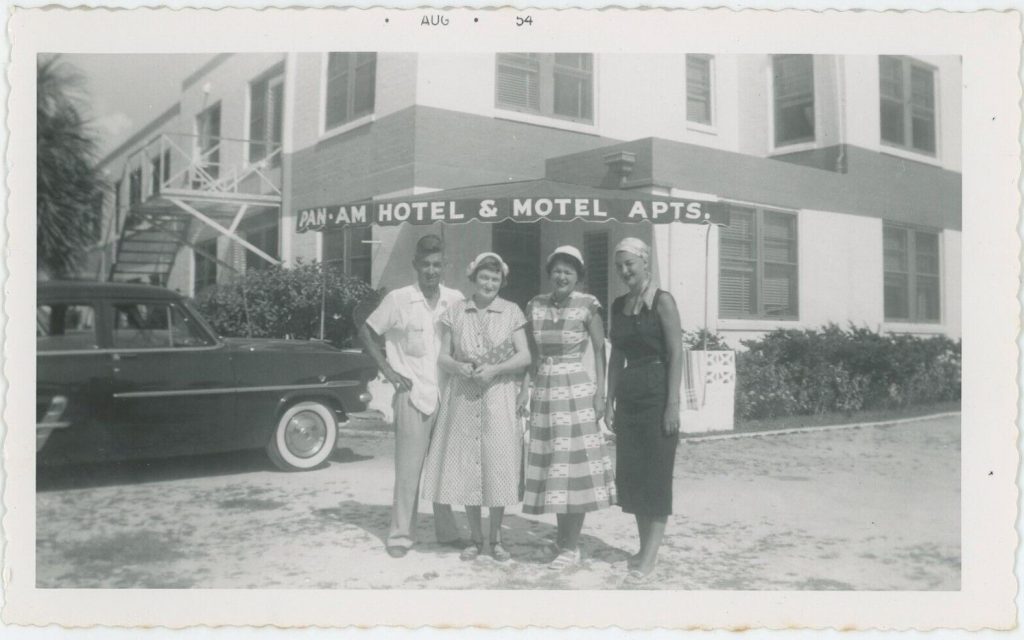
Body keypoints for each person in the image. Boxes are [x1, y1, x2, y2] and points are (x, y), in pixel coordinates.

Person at [358, 234, 465, 558]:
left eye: (437, 264)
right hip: (412, 395)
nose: (431, 270)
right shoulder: (399, 299)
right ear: (416, 265)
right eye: (425, 265)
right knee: (408, 471)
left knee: (444, 470)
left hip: (447, 396)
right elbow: (365, 329)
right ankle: (401, 535)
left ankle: (447, 532)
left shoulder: (456, 299)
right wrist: (388, 372)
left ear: (444, 265)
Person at [421, 252, 531, 562]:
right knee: (468, 465)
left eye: (495, 279)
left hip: (498, 395)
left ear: (501, 282)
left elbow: (525, 356)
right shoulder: (455, 312)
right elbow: (442, 356)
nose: (489, 283)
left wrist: (496, 370)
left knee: (497, 465)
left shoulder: (511, 312)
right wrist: (458, 367)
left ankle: (495, 541)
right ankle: (475, 538)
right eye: (484, 277)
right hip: (464, 396)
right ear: (474, 278)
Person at [517, 245, 616, 570]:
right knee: (555, 469)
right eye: (557, 270)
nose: (562, 276)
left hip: (576, 392)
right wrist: (525, 389)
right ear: (550, 274)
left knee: (574, 470)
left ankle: (571, 547)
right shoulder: (535, 305)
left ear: (578, 277)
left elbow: (601, 352)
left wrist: (601, 393)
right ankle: (562, 541)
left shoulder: (588, 305)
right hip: (546, 391)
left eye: (568, 272)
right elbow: (531, 355)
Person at [606, 237, 683, 585]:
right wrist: (608, 401)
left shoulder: (662, 301)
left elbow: (677, 352)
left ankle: (650, 557)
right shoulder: (618, 305)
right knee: (634, 477)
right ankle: (642, 548)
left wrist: (672, 404)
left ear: (644, 264)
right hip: (629, 397)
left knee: (655, 476)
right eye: (620, 266)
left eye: (630, 265)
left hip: (656, 394)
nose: (624, 271)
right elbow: (615, 356)